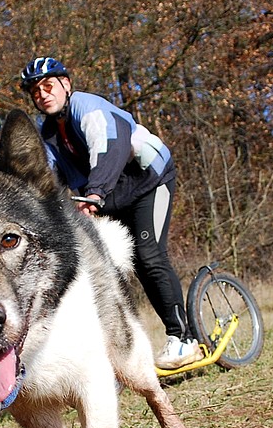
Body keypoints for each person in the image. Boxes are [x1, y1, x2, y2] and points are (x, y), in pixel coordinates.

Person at [19, 56, 203, 370]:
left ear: (66, 85)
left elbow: (110, 148)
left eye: (48, 86)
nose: (43, 95)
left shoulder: (88, 108)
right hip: (110, 198)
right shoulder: (48, 130)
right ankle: (122, 352)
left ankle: (183, 337)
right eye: (36, 92)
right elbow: (49, 176)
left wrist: (93, 194)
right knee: (116, 267)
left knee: (150, 256)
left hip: (148, 181)